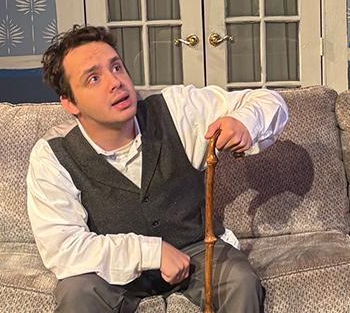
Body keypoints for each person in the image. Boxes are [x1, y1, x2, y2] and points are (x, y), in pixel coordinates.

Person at [27, 25, 288, 313]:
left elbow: (269, 101)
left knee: (240, 280)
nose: (115, 82)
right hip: (109, 272)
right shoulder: (53, 155)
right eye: (94, 78)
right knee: (77, 293)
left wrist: (245, 123)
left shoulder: (175, 110)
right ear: (69, 103)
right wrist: (151, 252)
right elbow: (64, 247)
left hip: (193, 249)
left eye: (116, 67)